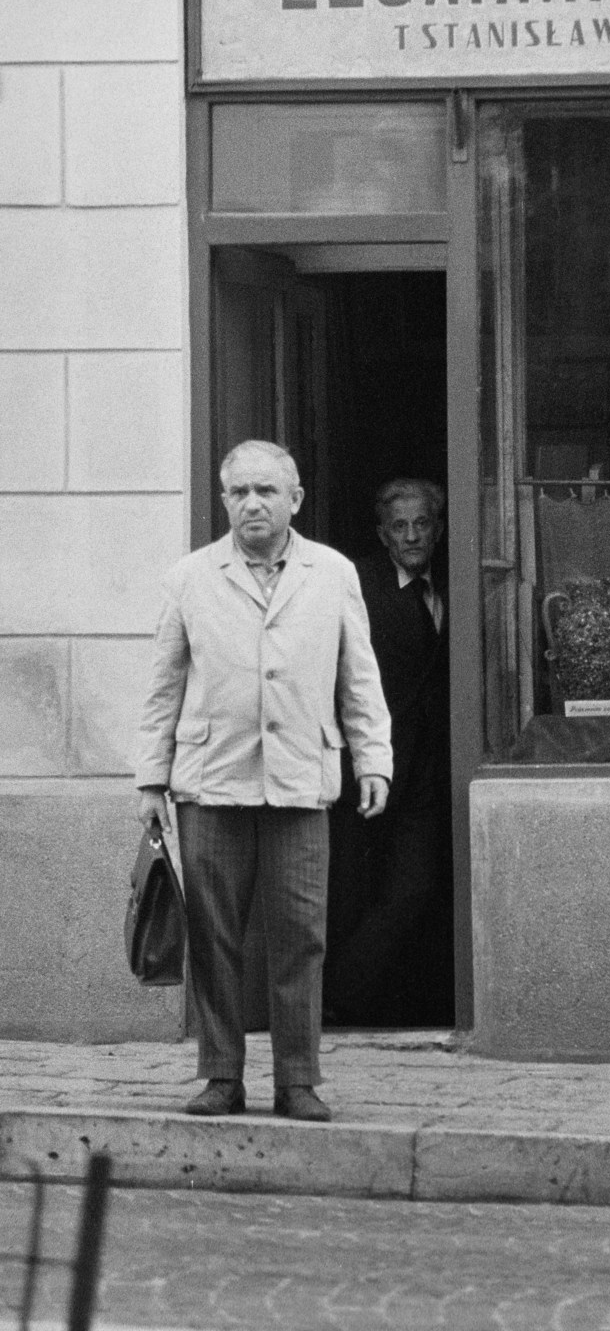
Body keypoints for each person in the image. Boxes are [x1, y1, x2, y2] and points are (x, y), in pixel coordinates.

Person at [133, 441, 392, 1120]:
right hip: (211, 783)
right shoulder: (190, 577)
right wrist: (149, 780)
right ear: (223, 501)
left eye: (267, 491)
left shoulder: (331, 573)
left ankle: (298, 1078)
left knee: (301, 933)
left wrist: (373, 759)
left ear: (295, 499)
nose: (253, 503)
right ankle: (221, 1074)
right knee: (213, 933)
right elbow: (163, 686)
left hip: (302, 778)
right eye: (240, 492)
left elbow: (358, 677)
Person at [323, 478, 454, 1026]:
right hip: (365, 768)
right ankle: (332, 1002)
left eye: (422, 524)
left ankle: (348, 994)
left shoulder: (456, 582)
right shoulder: (359, 585)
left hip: (426, 775)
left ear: (439, 528)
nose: (411, 537)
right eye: (399, 527)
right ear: (382, 534)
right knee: (351, 892)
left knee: (416, 886)